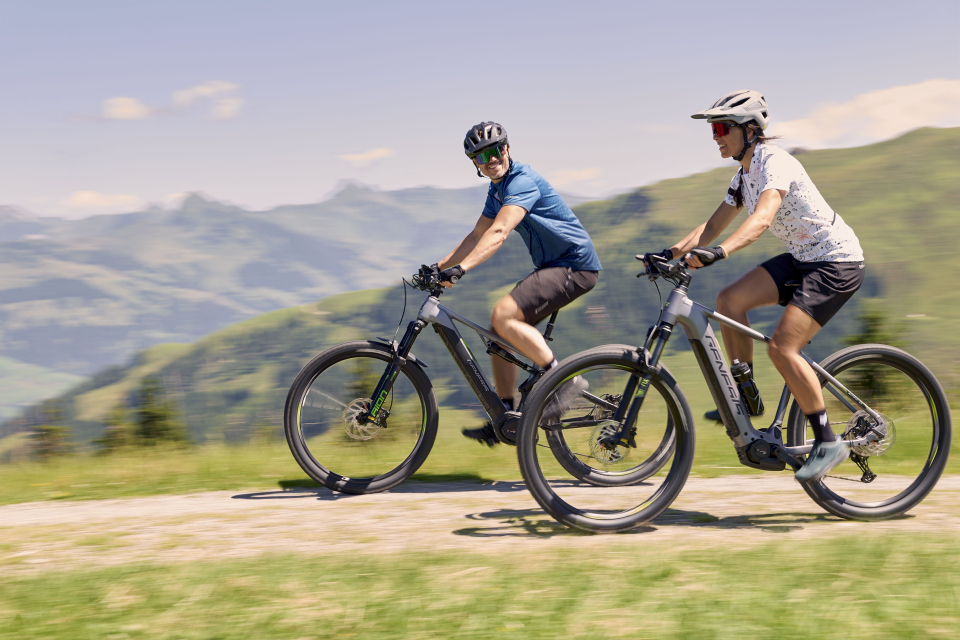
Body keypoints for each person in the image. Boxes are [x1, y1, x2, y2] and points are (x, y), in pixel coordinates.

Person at [642, 90, 865, 481]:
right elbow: (711, 226)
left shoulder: (774, 162)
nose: (715, 136)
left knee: (782, 347)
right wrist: (671, 252)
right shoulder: (743, 175)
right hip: (803, 259)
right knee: (730, 300)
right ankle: (746, 397)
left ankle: (828, 441)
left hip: (835, 262)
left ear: (750, 130)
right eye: (713, 129)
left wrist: (721, 252)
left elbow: (762, 219)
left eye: (722, 127)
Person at [433, 121, 602, 446]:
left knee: (503, 314)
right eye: (482, 157)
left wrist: (462, 269)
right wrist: (439, 267)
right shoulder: (497, 189)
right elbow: (476, 234)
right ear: (475, 164)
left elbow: (498, 232)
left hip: (575, 265)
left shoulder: (521, 181)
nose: (491, 159)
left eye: (496, 150)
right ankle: (505, 414)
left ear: (507, 148)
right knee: (499, 334)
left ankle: (565, 380)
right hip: (555, 266)